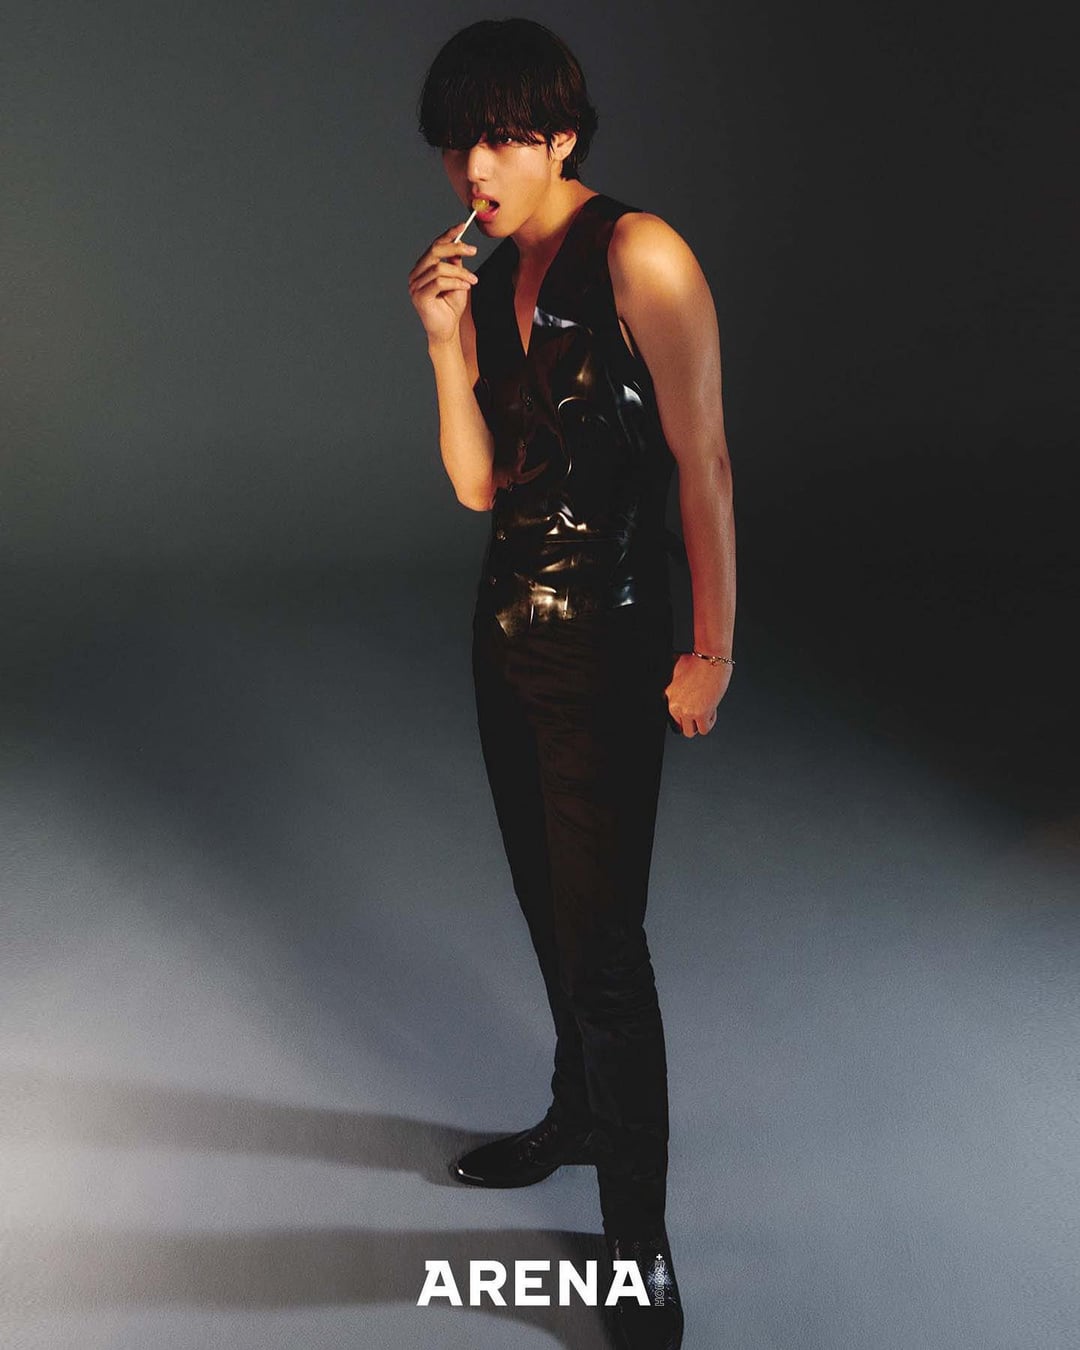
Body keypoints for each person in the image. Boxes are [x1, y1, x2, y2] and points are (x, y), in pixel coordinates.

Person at [408, 18, 735, 1349]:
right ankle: (577, 1113)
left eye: (498, 139)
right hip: (506, 635)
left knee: (606, 948)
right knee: (550, 911)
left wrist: (712, 647)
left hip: (611, 642)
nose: (472, 169)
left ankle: (637, 1251)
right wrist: (442, 342)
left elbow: (704, 462)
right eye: (456, 145)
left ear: (560, 135)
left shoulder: (642, 253)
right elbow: (479, 485)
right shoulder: (484, 275)